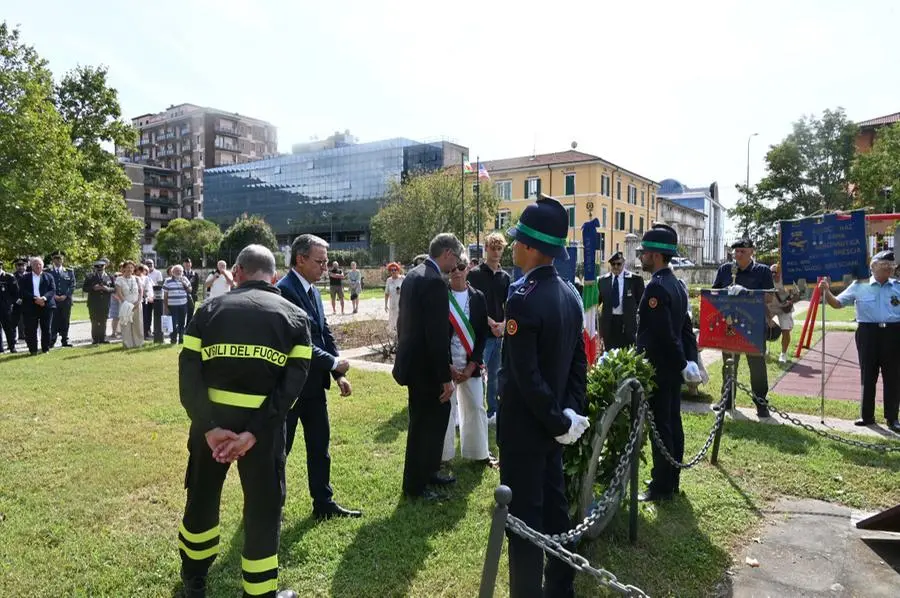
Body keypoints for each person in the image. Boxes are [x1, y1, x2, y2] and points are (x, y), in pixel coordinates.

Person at [177, 244, 311, 598]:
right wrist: (253, 433)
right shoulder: (296, 318)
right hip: (263, 436)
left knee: (202, 499)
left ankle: (193, 580)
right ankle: (260, 592)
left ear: (236, 273)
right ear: (274, 276)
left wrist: (208, 427)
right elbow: (290, 391)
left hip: (210, 434)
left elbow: (188, 378)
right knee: (264, 508)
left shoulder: (207, 311)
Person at [497, 195, 590, 598]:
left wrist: (556, 418)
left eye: (517, 239)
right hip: (554, 432)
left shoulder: (522, 297)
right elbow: (578, 363)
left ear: (532, 247)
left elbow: (525, 377)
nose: (512, 246)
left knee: (524, 524)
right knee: (556, 513)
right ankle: (560, 589)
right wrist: (569, 414)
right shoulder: (570, 294)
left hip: (525, 432)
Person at [276, 235, 361, 520]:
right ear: (300, 259)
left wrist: (337, 374)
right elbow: (299, 344)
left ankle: (323, 503)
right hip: (289, 389)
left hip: (313, 387)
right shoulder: (284, 291)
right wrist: (335, 361)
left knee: (319, 447)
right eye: (320, 261)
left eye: (326, 261)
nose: (325, 267)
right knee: (279, 452)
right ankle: (270, 506)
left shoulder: (311, 290)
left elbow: (323, 334)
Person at [393, 233, 465, 501]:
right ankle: (415, 485)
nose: (455, 266)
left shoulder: (415, 274)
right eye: (455, 259)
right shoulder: (434, 282)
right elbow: (436, 336)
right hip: (425, 368)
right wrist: (444, 377)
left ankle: (429, 471)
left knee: (431, 419)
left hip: (415, 362)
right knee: (425, 424)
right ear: (446, 253)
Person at [635, 224, 702, 502]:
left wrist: (682, 361)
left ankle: (661, 485)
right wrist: (688, 360)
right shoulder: (677, 284)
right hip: (672, 369)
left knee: (662, 427)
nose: (641, 257)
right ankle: (671, 480)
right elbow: (685, 330)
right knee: (673, 423)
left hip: (659, 369)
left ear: (658, 256)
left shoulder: (657, 288)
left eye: (646, 253)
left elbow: (664, 334)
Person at [819, 250, 900, 433]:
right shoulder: (859, 285)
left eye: (891, 266)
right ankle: (866, 415)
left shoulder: (898, 286)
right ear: (873, 267)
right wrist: (826, 291)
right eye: (884, 265)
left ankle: (893, 418)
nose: (888, 268)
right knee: (867, 374)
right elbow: (837, 304)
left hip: (894, 334)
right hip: (868, 333)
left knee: (893, 377)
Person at [712, 238, 775, 418]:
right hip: (730, 323)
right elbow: (715, 292)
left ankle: (761, 403)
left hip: (753, 325)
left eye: (742, 252)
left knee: (757, 366)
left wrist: (747, 293)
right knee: (729, 363)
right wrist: (727, 291)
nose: (738, 255)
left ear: (752, 252)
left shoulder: (762, 271)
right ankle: (727, 400)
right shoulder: (725, 269)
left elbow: (769, 298)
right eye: (736, 252)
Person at [442, 255, 492, 465]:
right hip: (448, 363)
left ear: (467, 269)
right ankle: (443, 456)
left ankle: (478, 453)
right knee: (446, 409)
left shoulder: (478, 297)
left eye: (460, 267)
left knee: (476, 406)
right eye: (452, 269)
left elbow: (482, 334)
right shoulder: (441, 297)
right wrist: (447, 365)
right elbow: (437, 334)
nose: (456, 271)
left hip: (471, 363)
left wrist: (473, 364)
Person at [466, 232, 511, 425]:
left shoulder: (505, 277)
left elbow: (509, 305)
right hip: (481, 334)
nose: (496, 252)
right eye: (492, 248)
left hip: (499, 334)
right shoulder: (475, 274)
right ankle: (475, 410)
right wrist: (491, 322)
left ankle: (493, 411)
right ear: (486, 249)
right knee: (476, 374)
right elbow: (470, 303)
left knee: (495, 374)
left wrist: (503, 324)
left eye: (499, 248)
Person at [597, 251, 645, 350]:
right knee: (609, 355)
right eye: (613, 264)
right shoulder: (602, 281)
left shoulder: (635, 280)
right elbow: (597, 303)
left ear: (623, 263)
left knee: (628, 354)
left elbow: (641, 304)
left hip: (627, 324)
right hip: (609, 325)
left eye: (618, 264)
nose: (615, 267)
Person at [18, 256, 56, 355]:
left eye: (39, 264)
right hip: (30, 305)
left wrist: (43, 298)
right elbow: (22, 291)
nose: (38, 266)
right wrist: (35, 298)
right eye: (35, 264)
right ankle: (33, 350)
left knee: (46, 328)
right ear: (31, 266)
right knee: (30, 329)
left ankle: (45, 349)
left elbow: (52, 290)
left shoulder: (49, 276)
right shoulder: (25, 278)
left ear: (42, 265)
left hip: (46, 305)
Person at [769, 264, 798, 363]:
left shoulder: (788, 280)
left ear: (780, 272)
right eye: (771, 272)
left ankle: (783, 354)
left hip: (784, 309)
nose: (773, 274)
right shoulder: (767, 281)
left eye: (775, 272)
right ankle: (763, 349)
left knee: (786, 330)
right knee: (760, 325)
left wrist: (790, 302)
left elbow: (797, 294)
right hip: (771, 307)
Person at [83, 259, 115, 345]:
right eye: (97, 267)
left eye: (102, 266)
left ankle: (102, 338)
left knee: (103, 321)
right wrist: (93, 288)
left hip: (105, 303)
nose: (100, 268)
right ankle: (95, 339)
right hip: (93, 303)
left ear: (105, 266)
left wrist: (107, 289)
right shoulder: (90, 276)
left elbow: (114, 289)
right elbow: (85, 288)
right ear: (95, 267)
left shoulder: (110, 276)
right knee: (94, 321)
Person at [48, 251, 76, 348]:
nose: (58, 260)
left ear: (63, 259)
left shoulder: (69, 271)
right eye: (56, 258)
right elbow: (46, 286)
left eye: (60, 258)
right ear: (53, 259)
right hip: (53, 300)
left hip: (65, 300)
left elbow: (72, 285)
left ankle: (65, 339)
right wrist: (53, 295)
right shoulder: (48, 271)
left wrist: (65, 295)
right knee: (53, 320)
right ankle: (52, 339)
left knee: (65, 320)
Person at [115, 260, 144, 349]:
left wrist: (138, 301)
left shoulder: (137, 278)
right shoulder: (119, 279)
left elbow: (141, 291)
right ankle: (128, 344)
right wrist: (127, 304)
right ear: (123, 268)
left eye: (131, 267)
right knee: (126, 324)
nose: (130, 269)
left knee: (137, 324)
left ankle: (138, 343)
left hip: (137, 304)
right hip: (125, 305)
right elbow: (119, 293)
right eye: (127, 267)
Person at [164, 265, 192, 345]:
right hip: (172, 306)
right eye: (176, 271)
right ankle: (173, 339)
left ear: (182, 272)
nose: (178, 272)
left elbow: (190, 290)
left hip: (183, 305)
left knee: (182, 323)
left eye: (180, 271)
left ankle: (181, 339)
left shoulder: (185, 279)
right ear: (172, 272)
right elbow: (165, 295)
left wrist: (184, 283)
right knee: (173, 323)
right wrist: (165, 307)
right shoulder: (167, 281)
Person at [0, 260, 19, 353]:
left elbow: (15, 292)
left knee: (8, 328)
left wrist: (10, 303)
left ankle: (12, 346)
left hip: (6, 308)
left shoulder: (8, 277)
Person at [144, 259, 164, 339]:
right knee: (147, 315)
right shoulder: (144, 273)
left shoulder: (158, 273)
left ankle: (156, 331)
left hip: (156, 298)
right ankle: (147, 330)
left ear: (154, 264)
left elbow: (159, 285)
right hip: (147, 297)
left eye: (150, 263)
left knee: (157, 315)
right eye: (147, 264)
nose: (149, 265)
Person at [384, 263, 404, 338]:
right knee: (393, 321)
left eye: (395, 269)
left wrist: (401, 291)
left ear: (398, 270)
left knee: (401, 320)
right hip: (393, 304)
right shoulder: (389, 280)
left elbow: (408, 289)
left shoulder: (402, 278)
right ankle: (395, 339)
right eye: (391, 270)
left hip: (401, 303)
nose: (393, 271)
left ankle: (401, 337)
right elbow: (386, 293)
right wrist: (385, 305)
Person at [182, 258, 200, 327]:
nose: (187, 264)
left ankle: (188, 327)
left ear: (191, 264)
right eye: (186, 263)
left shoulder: (195, 274)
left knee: (190, 312)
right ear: (183, 264)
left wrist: (192, 293)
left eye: (188, 263)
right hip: (182, 296)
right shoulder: (181, 273)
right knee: (183, 312)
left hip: (192, 296)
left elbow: (196, 286)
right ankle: (181, 327)